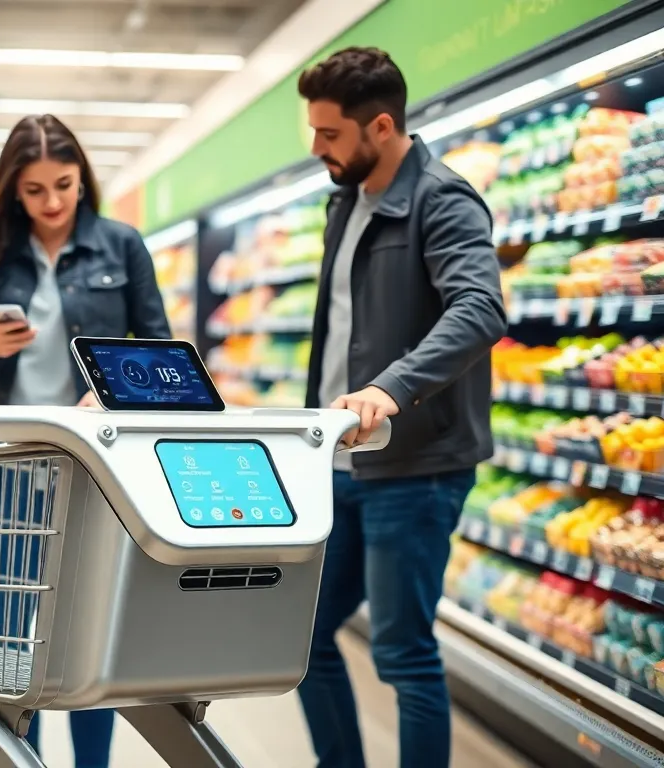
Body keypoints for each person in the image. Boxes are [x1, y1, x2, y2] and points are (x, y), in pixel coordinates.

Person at [294, 47, 507, 768]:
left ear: (379, 127)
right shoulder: (343, 202)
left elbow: (480, 307)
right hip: (341, 459)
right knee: (305, 638)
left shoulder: (442, 199)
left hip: (416, 467)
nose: (315, 148)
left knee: (403, 654)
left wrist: (392, 389)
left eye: (329, 135)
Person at [0, 114, 171, 768]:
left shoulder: (121, 247)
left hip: (95, 462)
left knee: (89, 626)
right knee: (11, 627)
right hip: (8, 461)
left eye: (63, 186)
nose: (51, 203)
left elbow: (163, 354)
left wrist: (115, 389)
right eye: (34, 190)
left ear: (82, 179)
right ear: (12, 190)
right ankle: (22, 760)